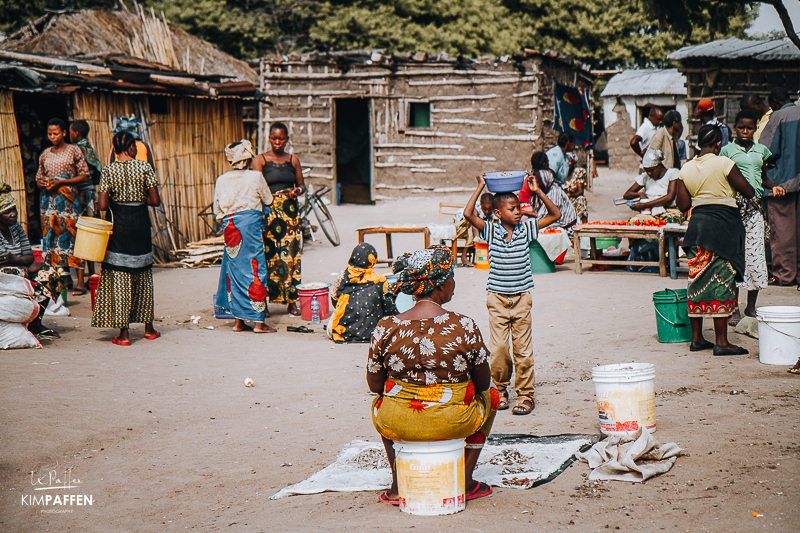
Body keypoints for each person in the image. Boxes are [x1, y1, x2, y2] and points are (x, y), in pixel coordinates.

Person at [367, 246, 498, 505]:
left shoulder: (385, 327)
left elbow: (374, 385)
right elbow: (483, 383)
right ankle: (466, 479)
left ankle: (396, 484)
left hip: (398, 422)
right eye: (451, 277)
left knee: (383, 400)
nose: (454, 283)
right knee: (491, 395)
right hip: (455, 421)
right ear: (439, 285)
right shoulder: (465, 326)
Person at [464, 173, 560, 415]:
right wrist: (481, 187)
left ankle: (526, 394)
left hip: (521, 299)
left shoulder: (526, 229)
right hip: (496, 299)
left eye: (518, 207)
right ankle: (501, 389)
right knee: (498, 350)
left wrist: (537, 192)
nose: (518, 212)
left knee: (523, 351)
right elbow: (468, 215)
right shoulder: (490, 231)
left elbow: (555, 215)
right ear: (498, 213)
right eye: (513, 208)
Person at [675, 125, 755, 356]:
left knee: (697, 281)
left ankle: (697, 339)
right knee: (722, 279)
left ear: (698, 143)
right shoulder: (723, 163)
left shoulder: (686, 168)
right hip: (723, 229)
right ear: (719, 144)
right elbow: (748, 192)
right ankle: (722, 342)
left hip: (698, 229)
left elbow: (682, 206)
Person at [91, 132, 161, 346]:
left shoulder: (109, 170)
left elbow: (102, 206)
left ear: (115, 148)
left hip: (119, 227)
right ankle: (149, 329)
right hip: (140, 225)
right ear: (131, 147)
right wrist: (138, 198)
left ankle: (124, 335)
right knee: (143, 274)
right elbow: (155, 200)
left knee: (121, 276)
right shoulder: (145, 168)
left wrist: (116, 198)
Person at [720, 110, 785, 323]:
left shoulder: (761, 151)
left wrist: (774, 187)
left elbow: (763, 177)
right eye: (741, 127)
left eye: (749, 128)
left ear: (755, 128)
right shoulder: (727, 151)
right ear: (735, 128)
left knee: (756, 257)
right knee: (736, 257)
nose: (745, 131)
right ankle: (734, 308)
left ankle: (750, 307)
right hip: (735, 209)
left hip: (755, 209)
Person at [213, 140, 276, 334]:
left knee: (235, 272)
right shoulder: (255, 177)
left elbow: (217, 210)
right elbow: (268, 200)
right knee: (256, 271)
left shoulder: (221, 180)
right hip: (250, 227)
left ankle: (239, 322)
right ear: (249, 157)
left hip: (230, 227)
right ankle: (258, 322)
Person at [252, 122, 305, 316]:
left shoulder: (293, 160)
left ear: (287, 140)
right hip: (268, 214)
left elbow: (301, 185)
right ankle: (264, 302)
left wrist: (296, 191)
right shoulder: (260, 160)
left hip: (290, 216)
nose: (277, 142)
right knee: (268, 256)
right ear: (269, 138)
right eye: (274, 138)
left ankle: (291, 301)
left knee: (291, 257)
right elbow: (256, 187)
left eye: (281, 138)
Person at [0, 183, 65, 339]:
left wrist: (15, 259)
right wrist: (26, 269)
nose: (13, 214)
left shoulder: (17, 228)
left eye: (14, 209)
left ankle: (36, 323)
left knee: (49, 274)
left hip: (18, 267)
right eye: (7, 212)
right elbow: (2, 264)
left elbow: (29, 255)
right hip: (5, 274)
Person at [35, 118, 90, 292]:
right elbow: (38, 178)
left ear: (64, 133)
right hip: (50, 205)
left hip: (69, 204)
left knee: (73, 238)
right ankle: (64, 280)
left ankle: (80, 281)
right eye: (50, 134)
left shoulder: (74, 150)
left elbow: (84, 175)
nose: (52, 137)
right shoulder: (45, 154)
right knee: (55, 240)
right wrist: (42, 183)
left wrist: (61, 183)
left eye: (56, 133)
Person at [759, 87, 800, 288]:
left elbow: (766, 151)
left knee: (782, 232)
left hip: (781, 184)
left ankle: (784, 274)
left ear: (775, 102)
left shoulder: (778, 117)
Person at [328, 242, 397, 343]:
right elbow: (389, 308)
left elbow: (334, 299)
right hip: (373, 333)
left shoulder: (344, 276)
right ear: (372, 260)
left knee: (333, 321)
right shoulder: (379, 280)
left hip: (344, 331)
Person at [69, 119, 102, 296]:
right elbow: (97, 173)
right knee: (91, 234)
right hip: (91, 194)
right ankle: (93, 274)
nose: (69, 134)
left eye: (70, 131)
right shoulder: (90, 149)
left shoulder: (77, 150)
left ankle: (81, 282)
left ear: (77, 134)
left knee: (80, 235)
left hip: (81, 196)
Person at [622, 149, 683, 224]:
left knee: (668, 222)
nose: (649, 173)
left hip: (670, 210)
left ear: (659, 165)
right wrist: (640, 194)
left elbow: (669, 197)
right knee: (634, 222)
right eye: (647, 171)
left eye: (652, 170)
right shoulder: (645, 177)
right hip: (650, 211)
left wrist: (644, 205)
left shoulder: (672, 173)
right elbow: (627, 194)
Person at [519, 152, 577, 230]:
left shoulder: (553, 192)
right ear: (544, 164)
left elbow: (553, 216)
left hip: (562, 223)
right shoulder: (539, 181)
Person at [453, 193, 493, 267]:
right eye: (485, 209)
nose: (487, 211)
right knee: (472, 230)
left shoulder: (494, 209)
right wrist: (477, 238)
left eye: (489, 209)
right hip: (461, 224)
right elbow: (474, 224)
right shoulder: (475, 209)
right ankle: (464, 256)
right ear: (480, 205)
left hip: (474, 224)